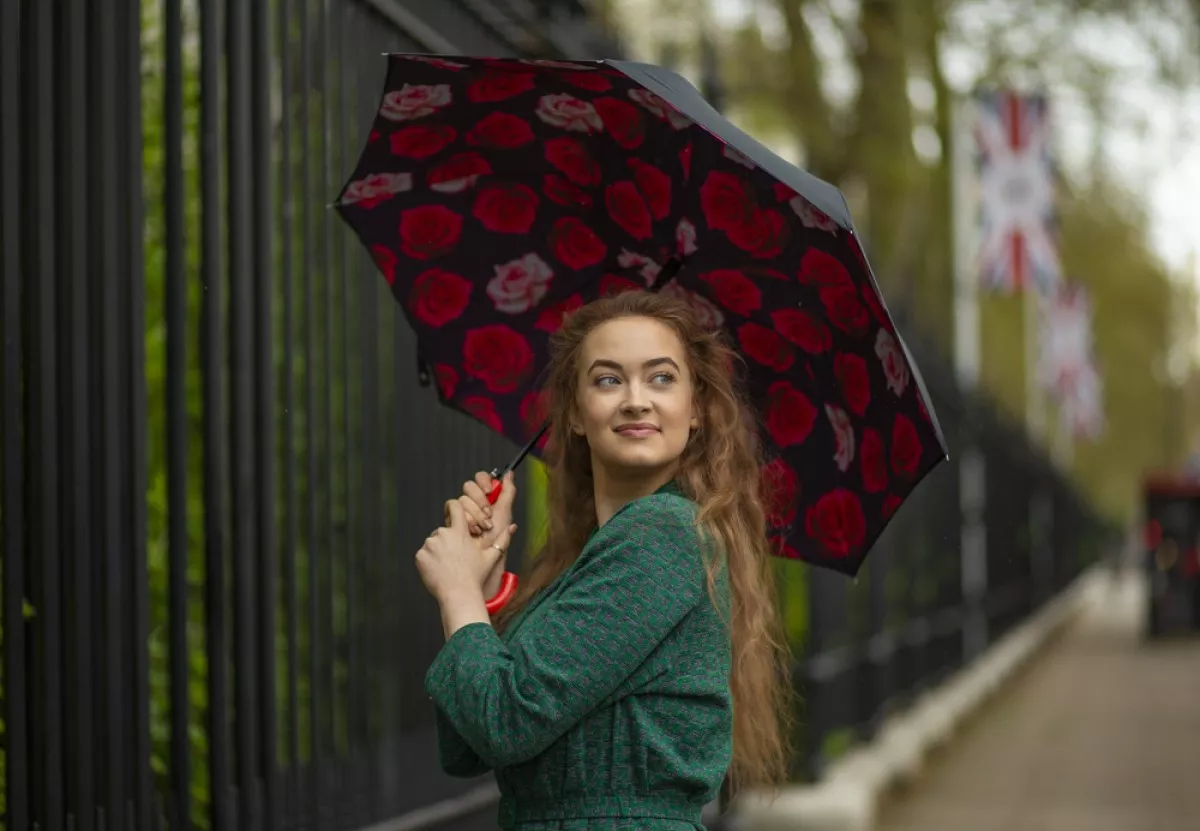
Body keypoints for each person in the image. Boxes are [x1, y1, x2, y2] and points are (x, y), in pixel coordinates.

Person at [414, 290, 793, 830]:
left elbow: (505, 722)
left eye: (661, 378)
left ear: (699, 411)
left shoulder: (660, 535)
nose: (636, 400)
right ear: (572, 412)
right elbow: (468, 746)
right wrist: (486, 594)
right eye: (608, 379)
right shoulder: (596, 555)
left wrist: (456, 592)